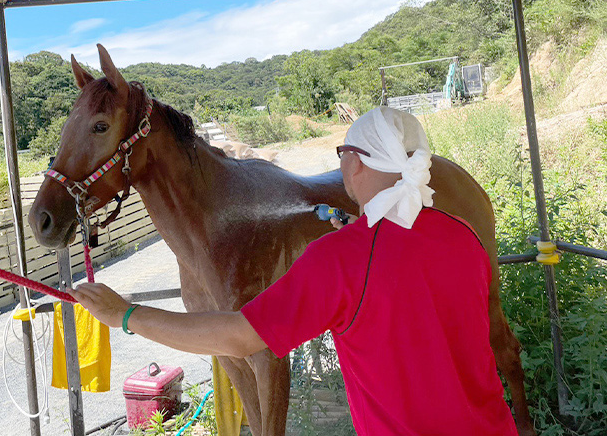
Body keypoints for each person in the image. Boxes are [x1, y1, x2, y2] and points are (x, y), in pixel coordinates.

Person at [70, 107, 519, 436]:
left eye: (343, 151)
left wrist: (125, 315)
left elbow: (239, 338)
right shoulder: (461, 234)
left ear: (354, 162)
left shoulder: (340, 258)